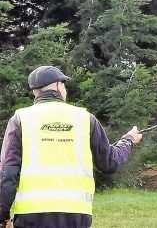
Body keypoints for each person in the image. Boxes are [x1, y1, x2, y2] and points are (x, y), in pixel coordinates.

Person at [0, 66, 143, 228]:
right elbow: (110, 162)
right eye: (63, 84)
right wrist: (129, 140)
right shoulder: (86, 119)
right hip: (76, 214)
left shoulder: (21, 119)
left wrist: (2, 214)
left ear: (36, 92)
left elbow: (7, 173)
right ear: (57, 86)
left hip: (32, 215)